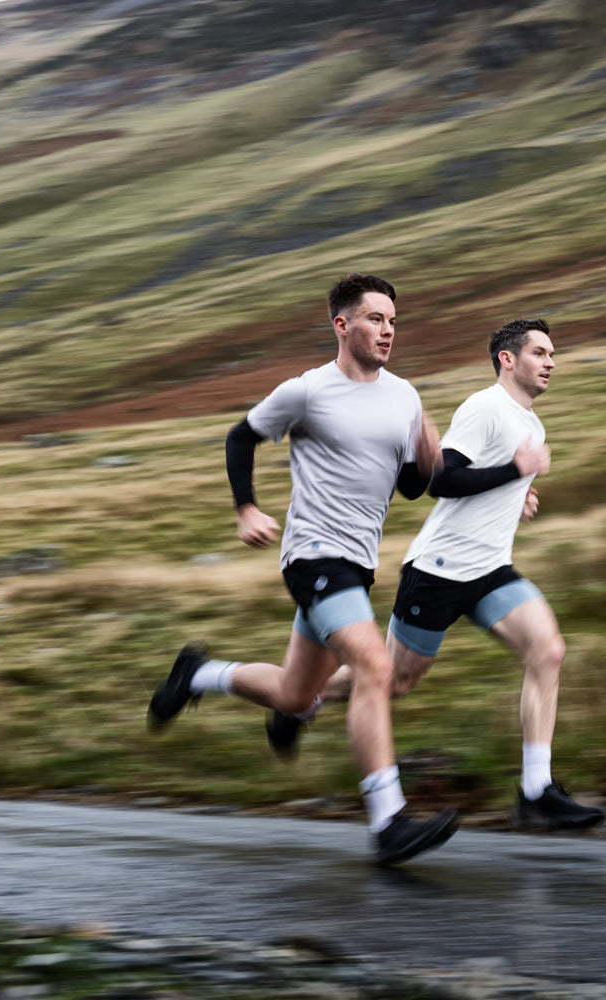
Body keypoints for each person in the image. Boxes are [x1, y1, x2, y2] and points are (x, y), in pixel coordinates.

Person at [145, 272, 458, 866]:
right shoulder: (307, 392)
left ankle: (198, 675)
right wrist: (245, 508)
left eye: (393, 321)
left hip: (357, 565)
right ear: (342, 325)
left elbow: (412, 487)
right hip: (313, 555)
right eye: (375, 319)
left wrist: (428, 459)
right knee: (372, 664)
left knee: (296, 695)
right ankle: (387, 818)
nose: (387, 330)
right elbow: (242, 438)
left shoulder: (406, 397)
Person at [268, 318, 605, 832]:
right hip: (439, 572)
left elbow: (486, 479)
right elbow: (441, 479)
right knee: (396, 683)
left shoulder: (532, 425)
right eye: (540, 353)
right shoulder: (485, 407)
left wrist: (515, 496)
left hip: (490, 569)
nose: (551, 362)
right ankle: (301, 703)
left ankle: (536, 790)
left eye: (553, 354)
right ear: (507, 360)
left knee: (548, 650)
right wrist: (515, 473)